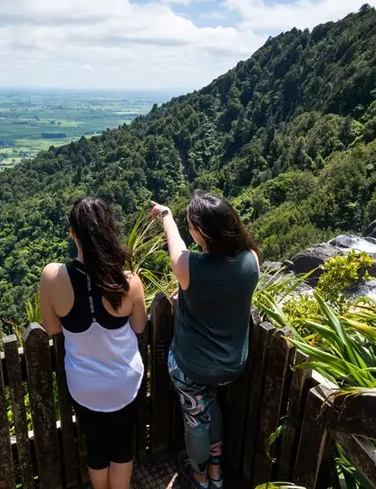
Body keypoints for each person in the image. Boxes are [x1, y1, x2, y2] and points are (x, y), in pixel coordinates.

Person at [151, 191, 260, 489]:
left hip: (193, 368)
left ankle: (199, 478)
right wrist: (189, 291)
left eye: (191, 226)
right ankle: (217, 474)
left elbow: (176, 249)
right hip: (232, 365)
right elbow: (223, 291)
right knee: (210, 408)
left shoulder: (191, 268)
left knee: (196, 421)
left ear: (202, 233)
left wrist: (166, 214)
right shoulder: (251, 260)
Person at [40, 197, 148, 489]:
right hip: (125, 382)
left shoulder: (51, 277)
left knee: (97, 447)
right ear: (109, 230)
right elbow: (139, 326)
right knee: (122, 446)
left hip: (84, 385)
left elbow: (52, 327)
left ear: (72, 233)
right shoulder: (129, 281)